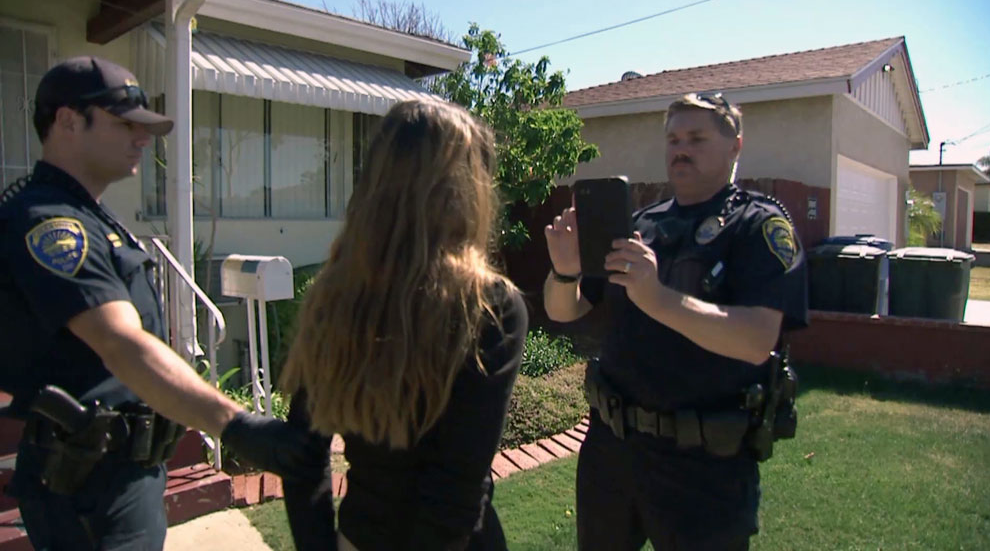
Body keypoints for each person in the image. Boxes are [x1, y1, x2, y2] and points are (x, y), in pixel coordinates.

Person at [0, 56, 328, 550]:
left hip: (121, 471)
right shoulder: (51, 223)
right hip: (88, 486)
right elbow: (122, 345)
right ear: (68, 121)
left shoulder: (91, 216)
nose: (143, 137)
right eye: (125, 124)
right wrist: (238, 425)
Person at [544, 93, 808, 550]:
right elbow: (563, 309)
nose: (680, 149)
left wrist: (659, 298)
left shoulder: (757, 226)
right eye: (673, 139)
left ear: (735, 147)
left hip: (703, 464)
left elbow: (757, 339)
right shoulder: (639, 226)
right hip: (612, 450)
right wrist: (565, 270)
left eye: (696, 138)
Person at [280, 98, 528, 551]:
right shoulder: (488, 305)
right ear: (465, 189)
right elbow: (455, 490)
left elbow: (302, 454)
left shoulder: (335, 294)